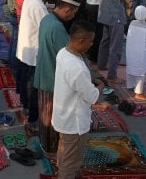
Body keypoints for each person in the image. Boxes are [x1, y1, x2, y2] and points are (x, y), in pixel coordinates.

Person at [52, 20, 104, 179]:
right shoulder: (78, 68)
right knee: (70, 162)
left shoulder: (63, 52)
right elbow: (92, 97)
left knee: (64, 154)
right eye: (91, 41)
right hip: (74, 122)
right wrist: (100, 86)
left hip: (63, 116)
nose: (91, 44)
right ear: (81, 41)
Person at [34, 0, 80, 156]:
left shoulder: (48, 19)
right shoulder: (57, 28)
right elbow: (68, 54)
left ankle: (45, 143)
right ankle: (50, 149)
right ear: (67, 9)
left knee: (45, 111)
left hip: (43, 71)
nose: (73, 16)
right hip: (51, 76)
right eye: (73, 12)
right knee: (51, 114)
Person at [17, 0, 56, 132]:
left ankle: (25, 106)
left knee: (26, 81)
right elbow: (47, 27)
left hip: (25, 48)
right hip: (33, 51)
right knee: (35, 87)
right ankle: (33, 118)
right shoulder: (37, 4)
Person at [97, 0, 128, 84]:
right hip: (115, 15)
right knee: (116, 46)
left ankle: (101, 64)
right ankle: (112, 74)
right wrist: (129, 10)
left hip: (105, 13)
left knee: (105, 41)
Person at [126, 5, 146, 102]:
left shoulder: (131, 23)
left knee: (130, 66)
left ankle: (130, 85)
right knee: (140, 72)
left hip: (130, 50)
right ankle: (138, 93)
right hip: (141, 52)